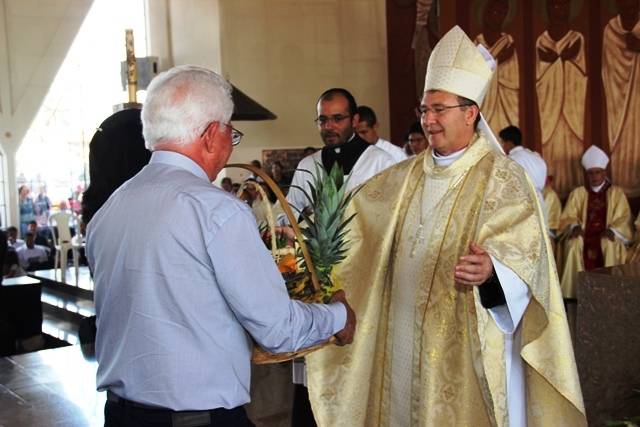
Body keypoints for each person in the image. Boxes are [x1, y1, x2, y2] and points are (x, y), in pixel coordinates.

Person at [306, 26, 586, 426]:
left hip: (464, 350)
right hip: (399, 342)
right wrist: (307, 248)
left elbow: (530, 260)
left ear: (471, 112)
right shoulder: (396, 180)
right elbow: (350, 240)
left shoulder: (504, 180)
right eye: (424, 110)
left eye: (440, 109)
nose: (429, 120)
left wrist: (494, 272)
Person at [86, 65, 355, 427]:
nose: (231, 142)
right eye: (232, 131)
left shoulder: (111, 208)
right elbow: (277, 329)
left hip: (120, 414)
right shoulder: (216, 210)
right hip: (195, 419)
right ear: (212, 134)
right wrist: (338, 316)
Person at [284, 88, 394, 221]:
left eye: (337, 118)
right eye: (322, 120)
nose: (328, 127)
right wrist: (307, 216)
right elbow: (287, 215)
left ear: (354, 120)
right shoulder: (307, 166)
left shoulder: (381, 163)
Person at [558, 145, 632, 299]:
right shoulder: (578, 193)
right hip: (584, 234)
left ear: (604, 172)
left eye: (597, 172)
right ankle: (573, 293)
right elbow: (568, 216)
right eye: (590, 173)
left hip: (606, 234)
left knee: (609, 244)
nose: (594, 176)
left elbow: (623, 217)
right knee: (573, 243)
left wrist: (613, 230)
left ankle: (611, 289)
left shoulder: (616, 193)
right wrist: (574, 226)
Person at [536, 0, 587, 198]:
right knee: (552, 145)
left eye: (564, 5)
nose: (560, 10)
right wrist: (557, 63)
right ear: (548, 9)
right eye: (555, 6)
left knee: (573, 142)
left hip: (573, 104)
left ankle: (571, 186)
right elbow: (541, 78)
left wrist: (560, 61)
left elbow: (581, 73)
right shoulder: (542, 40)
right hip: (549, 104)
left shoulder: (577, 38)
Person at [603, 0, 640, 197]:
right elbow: (609, 70)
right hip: (618, 98)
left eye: (635, 7)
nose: (632, 11)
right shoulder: (611, 30)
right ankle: (625, 184)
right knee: (623, 137)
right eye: (627, 7)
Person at [474, 0, 519, 132]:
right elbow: (473, 76)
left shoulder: (508, 42)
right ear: (485, 14)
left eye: (502, 13)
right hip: (485, 103)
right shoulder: (477, 43)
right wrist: (500, 59)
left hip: (505, 101)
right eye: (495, 12)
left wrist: (500, 63)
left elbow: (513, 80)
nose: (498, 17)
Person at [499, 125, 548, 206]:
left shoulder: (510, 160)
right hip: (540, 202)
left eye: (502, 142)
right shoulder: (536, 156)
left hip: (522, 204)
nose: (502, 146)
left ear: (509, 143)